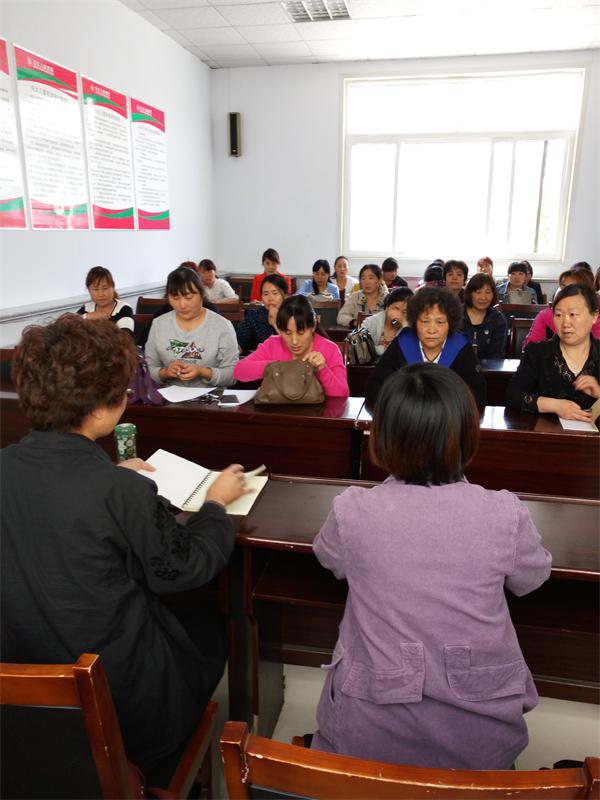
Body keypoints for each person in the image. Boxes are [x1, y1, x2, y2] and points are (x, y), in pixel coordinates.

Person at [1, 313, 248, 780]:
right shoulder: (120, 491)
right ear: (101, 409)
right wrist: (215, 503)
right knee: (208, 629)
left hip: (19, 705)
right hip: (119, 712)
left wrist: (113, 478)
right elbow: (185, 566)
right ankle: (169, 766)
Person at [311, 363, 551, 770]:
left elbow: (329, 557)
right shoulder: (503, 513)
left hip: (364, 741)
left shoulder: (352, 510)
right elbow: (533, 577)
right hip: (482, 748)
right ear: (467, 435)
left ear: (382, 437)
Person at [366, 287, 486, 408]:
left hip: (448, 415)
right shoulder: (403, 343)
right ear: (414, 322)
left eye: (440, 322)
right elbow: (375, 386)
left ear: (450, 323)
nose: (431, 330)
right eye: (424, 321)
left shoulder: (461, 346)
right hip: (407, 413)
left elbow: (478, 394)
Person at [506, 283, 600, 421]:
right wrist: (553, 405)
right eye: (559, 315)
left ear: (594, 316)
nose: (565, 323)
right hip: (546, 432)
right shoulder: (537, 352)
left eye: (573, 314)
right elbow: (512, 396)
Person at [234, 294, 349, 398]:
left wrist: (323, 369)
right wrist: (276, 366)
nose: (294, 341)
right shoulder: (273, 344)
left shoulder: (330, 349)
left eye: (301, 333)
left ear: (313, 326)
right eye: (287, 333)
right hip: (277, 410)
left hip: (316, 412)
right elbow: (239, 371)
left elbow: (342, 394)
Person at [145, 266, 238, 388]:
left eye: (189, 297)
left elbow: (233, 375)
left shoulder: (222, 326)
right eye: (175, 298)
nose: (182, 305)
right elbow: (148, 369)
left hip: (210, 397)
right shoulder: (158, 324)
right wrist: (165, 372)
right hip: (167, 397)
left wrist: (203, 372)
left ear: (202, 293)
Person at [523, 266, 599, 349]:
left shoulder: (594, 318)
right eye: (562, 286)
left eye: (570, 288)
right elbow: (530, 347)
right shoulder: (545, 315)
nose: (563, 292)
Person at [236, 273, 288, 354]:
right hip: (262, 360)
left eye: (275, 293)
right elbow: (238, 342)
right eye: (265, 294)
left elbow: (293, 346)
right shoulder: (254, 316)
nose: (270, 298)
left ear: (285, 295)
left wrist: (275, 324)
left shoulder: (293, 315)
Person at [461, 273, 507, 358]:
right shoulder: (456, 315)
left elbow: (496, 354)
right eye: (478, 292)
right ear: (469, 293)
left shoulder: (498, 319)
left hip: (488, 365)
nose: (483, 297)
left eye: (488, 292)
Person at [77, 266, 134, 333]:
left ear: (113, 287)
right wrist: (87, 316)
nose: (101, 294)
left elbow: (125, 336)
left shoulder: (124, 309)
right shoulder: (87, 308)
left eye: (105, 288)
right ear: (89, 291)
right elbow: (69, 324)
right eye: (95, 289)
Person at [362, 287, 413, 357]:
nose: (399, 314)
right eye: (396, 308)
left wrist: (405, 328)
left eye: (405, 311)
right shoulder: (370, 322)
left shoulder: (410, 327)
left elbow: (410, 351)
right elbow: (362, 350)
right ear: (387, 307)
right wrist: (384, 349)